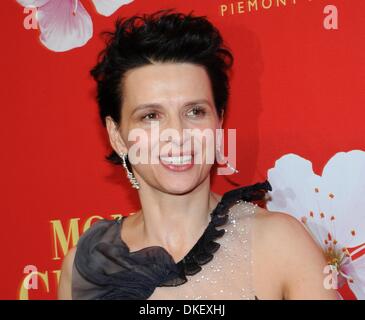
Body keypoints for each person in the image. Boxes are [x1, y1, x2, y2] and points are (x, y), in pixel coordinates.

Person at [58, 9, 338, 300]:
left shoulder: (281, 246)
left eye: (195, 112)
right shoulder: (85, 268)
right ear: (117, 136)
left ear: (218, 121)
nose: (178, 135)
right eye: (151, 116)